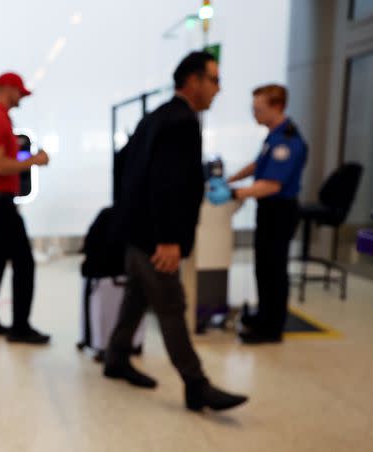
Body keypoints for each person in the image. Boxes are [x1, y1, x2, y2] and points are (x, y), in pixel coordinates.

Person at [103, 52, 248, 412]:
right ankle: (196, 384)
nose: (218, 88)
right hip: (156, 238)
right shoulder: (182, 121)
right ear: (193, 80)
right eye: (214, 79)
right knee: (171, 305)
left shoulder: (156, 117)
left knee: (136, 297)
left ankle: (116, 357)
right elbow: (167, 184)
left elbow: (124, 166)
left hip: (137, 232)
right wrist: (167, 239)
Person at [208, 84, 308, 344]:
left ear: (277, 107)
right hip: (269, 211)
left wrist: (232, 194)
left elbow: (272, 185)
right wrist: (231, 179)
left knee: (274, 268)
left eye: (258, 109)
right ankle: (263, 315)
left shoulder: (287, 140)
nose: (254, 113)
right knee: (264, 266)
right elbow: (259, 165)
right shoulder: (273, 136)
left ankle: (272, 328)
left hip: (280, 211)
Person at [0, 72, 51, 344]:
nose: (21, 98)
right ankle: (20, 327)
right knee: (24, 262)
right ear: (8, 89)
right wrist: (34, 160)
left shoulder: (1, 120)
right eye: (20, 92)